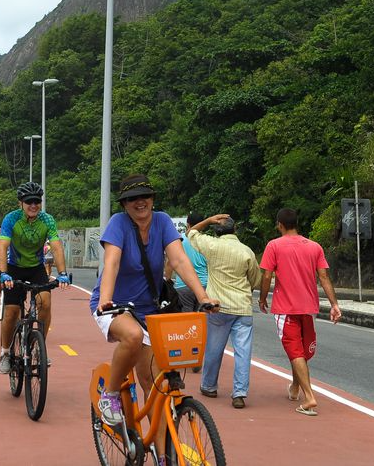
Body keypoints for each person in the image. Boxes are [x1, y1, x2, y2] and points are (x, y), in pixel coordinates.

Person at [91, 174, 218, 466]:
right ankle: (110, 395)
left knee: (156, 387)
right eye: (134, 198)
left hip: (149, 309)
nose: (141, 202)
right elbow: (111, 261)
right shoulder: (119, 224)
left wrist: (203, 296)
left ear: (153, 199)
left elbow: (179, 260)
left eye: (145, 196)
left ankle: (162, 457)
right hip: (115, 305)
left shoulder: (161, 222)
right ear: (124, 204)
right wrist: (105, 300)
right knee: (132, 337)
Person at [258, 208, 342, 417]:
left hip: (285, 309)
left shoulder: (274, 246)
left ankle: (309, 396)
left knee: (295, 352)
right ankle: (295, 387)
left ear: (280, 225)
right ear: (297, 223)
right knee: (302, 351)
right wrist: (334, 304)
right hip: (309, 307)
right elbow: (323, 277)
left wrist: (262, 298)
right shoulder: (314, 247)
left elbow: (267, 276)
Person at [185, 214, 261, 409]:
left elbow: (191, 232)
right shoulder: (247, 251)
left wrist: (209, 220)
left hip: (218, 306)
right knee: (243, 352)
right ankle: (239, 393)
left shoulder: (211, 245)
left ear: (216, 231)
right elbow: (255, 280)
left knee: (214, 348)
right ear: (235, 230)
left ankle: (209, 385)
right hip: (242, 307)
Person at [0, 182, 71, 374]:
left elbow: (56, 246)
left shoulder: (47, 220)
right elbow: (3, 246)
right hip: (13, 268)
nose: (33, 205)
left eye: (37, 201)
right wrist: (3, 273)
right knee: (11, 311)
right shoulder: (11, 219)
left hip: (36, 268)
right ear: (21, 202)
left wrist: (62, 273)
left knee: (45, 302)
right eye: (29, 201)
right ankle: (5, 353)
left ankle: (39, 348)